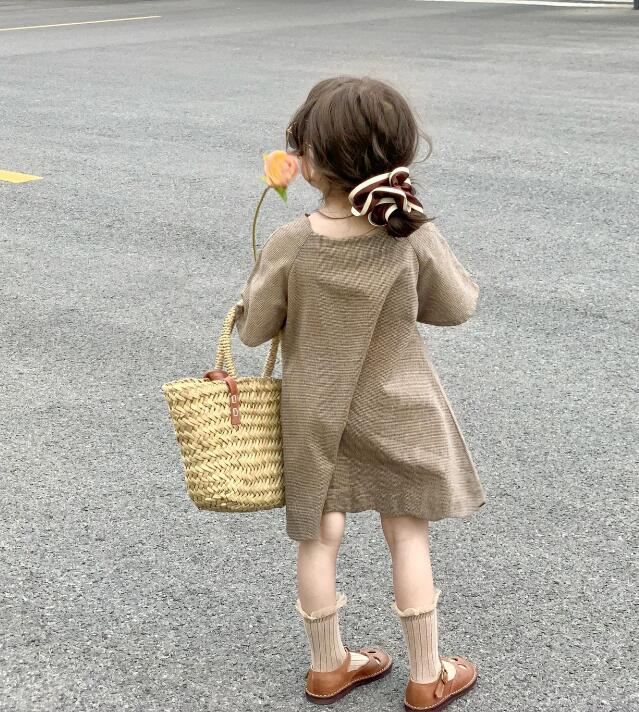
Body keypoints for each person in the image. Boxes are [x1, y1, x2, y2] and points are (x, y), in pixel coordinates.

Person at [233, 76, 486, 711]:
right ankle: (426, 675)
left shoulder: (291, 242)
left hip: (315, 416)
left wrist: (257, 293)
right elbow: (456, 306)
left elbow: (255, 329)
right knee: (408, 535)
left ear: (309, 162)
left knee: (320, 538)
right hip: (399, 408)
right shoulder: (408, 234)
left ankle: (328, 667)